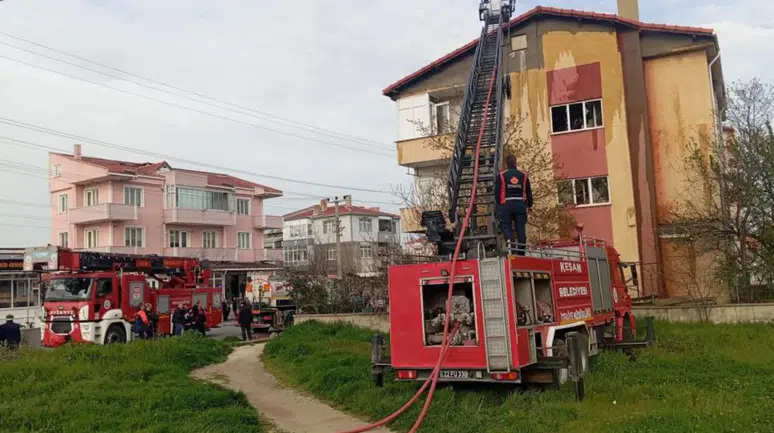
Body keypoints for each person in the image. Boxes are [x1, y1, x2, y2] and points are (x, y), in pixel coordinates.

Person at [494, 154, 533, 255]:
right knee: (521, 230)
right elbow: (529, 192)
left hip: (506, 205)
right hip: (520, 205)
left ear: (507, 163)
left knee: (506, 227)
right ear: (515, 162)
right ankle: (521, 253)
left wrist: (499, 204)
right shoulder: (523, 175)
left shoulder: (502, 175)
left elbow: (497, 191)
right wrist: (529, 205)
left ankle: (513, 249)